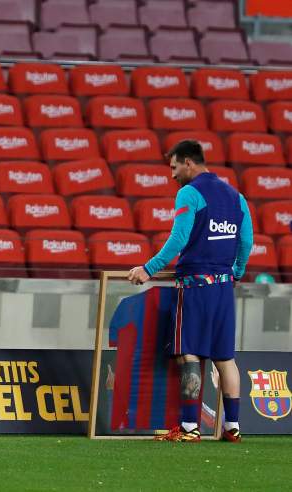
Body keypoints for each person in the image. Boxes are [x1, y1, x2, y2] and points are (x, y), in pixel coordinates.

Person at [128, 140, 253, 443]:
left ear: (188, 162)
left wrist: (149, 268)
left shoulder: (189, 192)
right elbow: (246, 240)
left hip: (195, 286)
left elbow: (179, 238)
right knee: (225, 358)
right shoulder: (236, 196)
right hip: (224, 287)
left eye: (174, 167)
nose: (172, 175)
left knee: (189, 354)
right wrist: (236, 271)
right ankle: (232, 427)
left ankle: (189, 428)